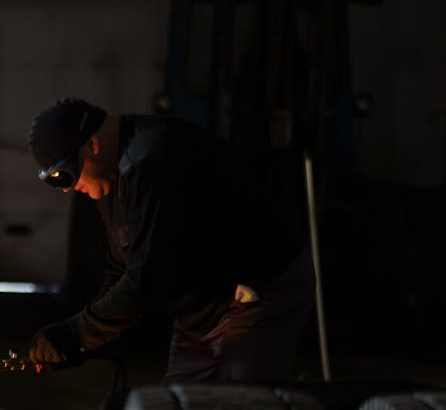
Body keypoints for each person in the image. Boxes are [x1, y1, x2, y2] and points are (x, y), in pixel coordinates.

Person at [25, 97, 315, 382]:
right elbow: (121, 269)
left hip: (259, 289)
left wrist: (75, 332)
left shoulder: (152, 160)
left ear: (93, 144)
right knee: (182, 406)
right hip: (205, 302)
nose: (68, 189)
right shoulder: (109, 175)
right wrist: (80, 340)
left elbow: (146, 280)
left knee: (234, 409)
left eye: (65, 176)